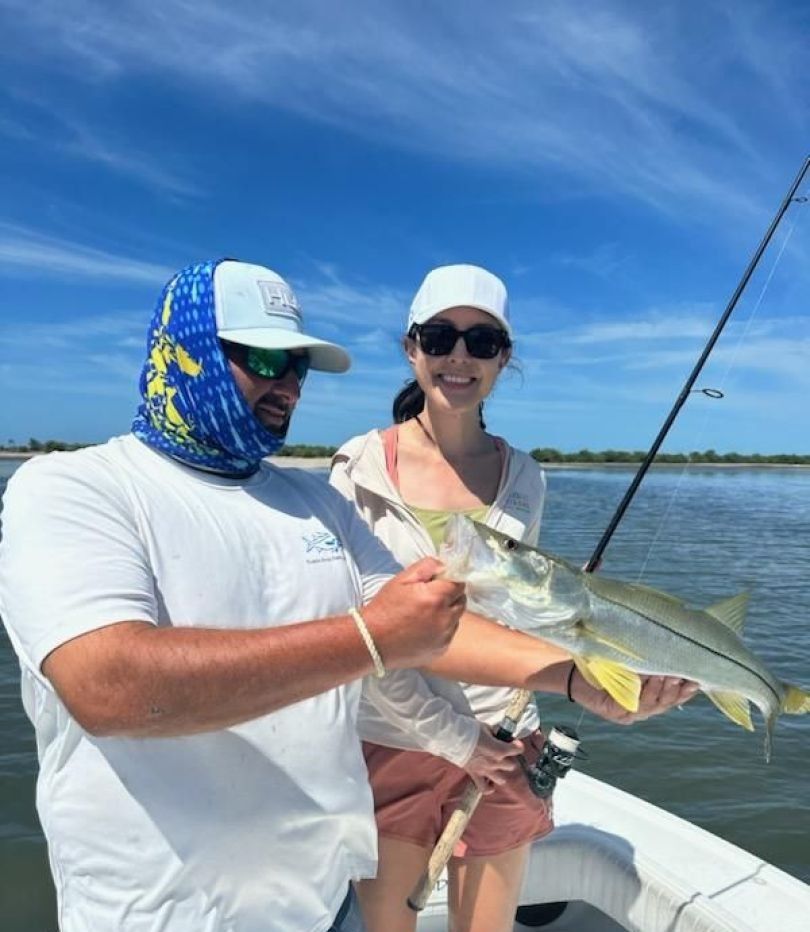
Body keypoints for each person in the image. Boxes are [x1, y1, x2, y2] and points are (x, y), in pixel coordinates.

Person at [0, 258, 470, 932]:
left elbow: (424, 622)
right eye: (263, 358)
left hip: (328, 905)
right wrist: (366, 639)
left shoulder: (319, 501)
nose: (288, 385)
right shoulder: (73, 488)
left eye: (298, 366)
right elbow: (106, 686)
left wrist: (575, 674)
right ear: (183, 346)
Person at [330, 264, 698, 932]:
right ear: (411, 347)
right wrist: (456, 738)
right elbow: (365, 638)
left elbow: (525, 619)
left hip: (507, 742)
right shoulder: (355, 468)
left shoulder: (525, 476)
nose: (459, 357)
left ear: (505, 359)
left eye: (483, 342)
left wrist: (604, 675)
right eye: (440, 337)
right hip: (392, 736)